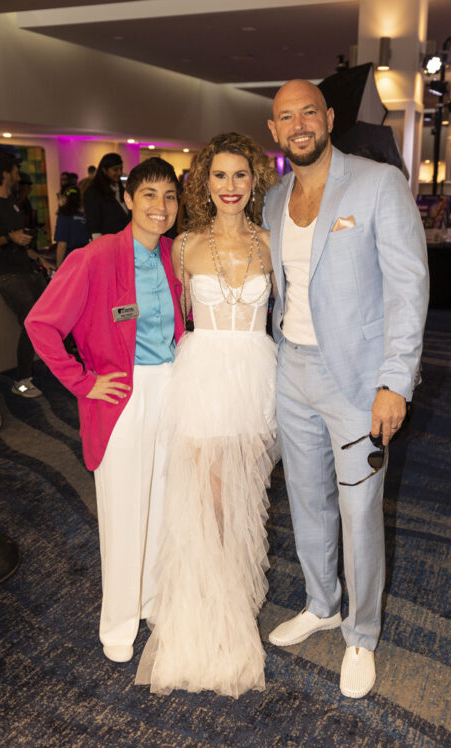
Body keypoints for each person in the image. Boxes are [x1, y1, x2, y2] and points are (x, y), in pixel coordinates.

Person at [264, 80, 429, 699]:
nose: (300, 124)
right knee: (306, 499)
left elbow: (409, 290)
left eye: (310, 111)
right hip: (292, 371)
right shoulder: (273, 200)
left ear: (329, 118)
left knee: (360, 511)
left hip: (357, 380)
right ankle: (321, 602)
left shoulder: (377, 183)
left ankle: (361, 634)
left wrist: (395, 382)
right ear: (273, 130)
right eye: (288, 116)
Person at [135, 133, 279, 697]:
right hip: (201, 378)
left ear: (254, 181)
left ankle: (233, 604)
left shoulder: (271, 242)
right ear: (204, 182)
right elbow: (156, 312)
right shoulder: (183, 246)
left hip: (258, 378)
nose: (230, 187)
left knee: (244, 495)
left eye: (240, 175)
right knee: (206, 500)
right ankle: (207, 616)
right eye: (219, 176)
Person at [25, 158, 185, 662]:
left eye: (171, 197)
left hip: (174, 391)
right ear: (128, 200)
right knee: (123, 509)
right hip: (120, 395)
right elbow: (41, 325)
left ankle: (154, 601)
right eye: (150, 195)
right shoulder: (95, 257)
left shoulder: (174, 257)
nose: (161, 207)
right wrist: (82, 381)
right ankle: (118, 621)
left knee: (164, 504)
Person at [0, 152, 53, 398]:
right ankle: (22, 380)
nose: (17, 175)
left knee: (52, 313)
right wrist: (6, 239)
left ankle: (57, 364)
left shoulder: (11, 200)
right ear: (4, 174)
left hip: (26, 268)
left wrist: (38, 257)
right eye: (14, 171)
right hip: (5, 273)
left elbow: (19, 240)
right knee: (33, 321)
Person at [83, 153, 130, 239]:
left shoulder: (121, 189)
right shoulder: (93, 192)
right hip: (106, 241)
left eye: (121, 169)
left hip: (124, 239)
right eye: (115, 170)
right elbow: (93, 225)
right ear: (104, 170)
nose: (119, 173)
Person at [54, 185, 90, 268]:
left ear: (64, 198)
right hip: (86, 259)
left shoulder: (64, 215)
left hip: (70, 261)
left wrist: (58, 268)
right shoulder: (86, 215)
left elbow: (62, 245)